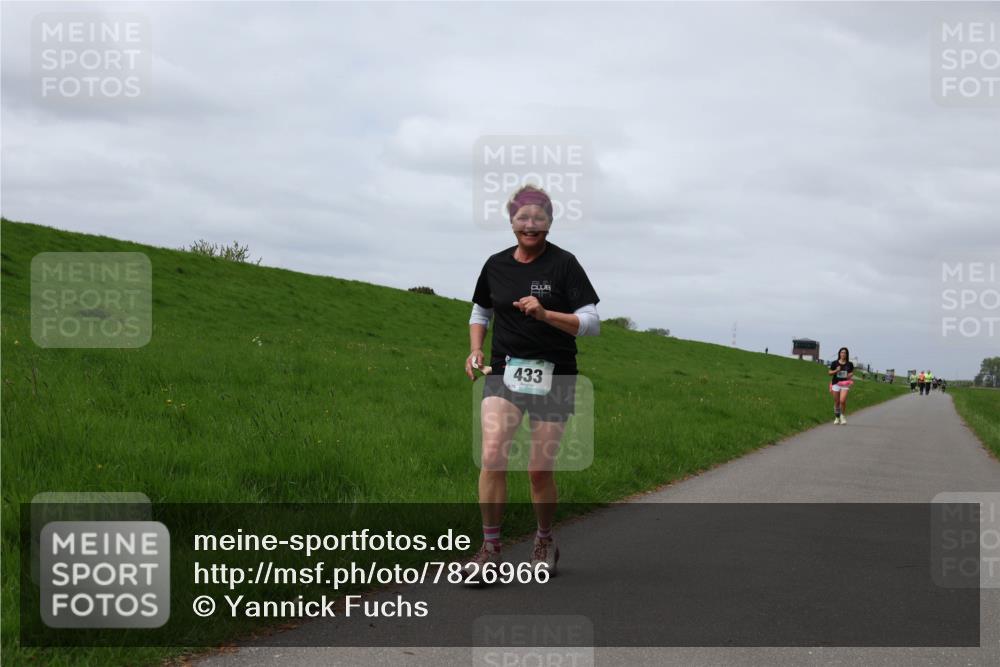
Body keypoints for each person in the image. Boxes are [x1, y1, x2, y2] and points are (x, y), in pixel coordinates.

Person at [464, 184, 600, 577]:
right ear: (512, 221)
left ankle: (543, 539)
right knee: (492, 455)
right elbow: (481, 311)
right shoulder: (495, 265)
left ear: (549, 222)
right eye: (522, 217)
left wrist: (545, 315)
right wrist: (475, 349)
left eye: (538, 218)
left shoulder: (565, 264)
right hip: (504, 371)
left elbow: (591, 324)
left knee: (539, 470)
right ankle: (490, 549)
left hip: (555, 375)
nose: (530, 225)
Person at [828, 347, 854, 424]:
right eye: (842, 352)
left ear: (847, 354)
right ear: (839, 354)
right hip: (836, 383)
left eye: (845, 353)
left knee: (842, 400)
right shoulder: (834, 363)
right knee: (837, 402)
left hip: (845, 383)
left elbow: (851, 373)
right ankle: (837, 417)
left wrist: (850, 375)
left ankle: (842, 416)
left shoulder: (849, 364)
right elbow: (829, 373)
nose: (843, 354)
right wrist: (836, 370)